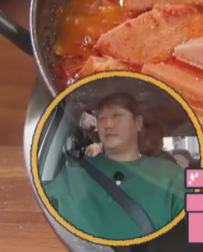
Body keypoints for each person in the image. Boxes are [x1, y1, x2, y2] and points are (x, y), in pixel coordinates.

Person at [44, 93, 186, 241]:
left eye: (117, 116)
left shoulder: (171, 175)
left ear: (138, 123)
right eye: (101, 119)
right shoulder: (76, 170)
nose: (108, 125)